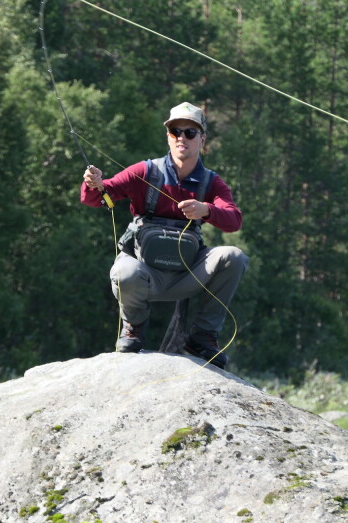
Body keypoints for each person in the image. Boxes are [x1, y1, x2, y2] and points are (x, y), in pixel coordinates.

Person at [80, 102, 248, 367]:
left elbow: (234, 220)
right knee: (124, 271)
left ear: (202, 139)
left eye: (190, 132)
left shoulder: (211, 182)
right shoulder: (145, 171)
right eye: (175, 132)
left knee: (234, 256)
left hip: (187, 274)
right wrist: (93, 182)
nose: (182, 137)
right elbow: (96, 197)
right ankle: (133, 328)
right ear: (168, 137)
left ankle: (203, 336)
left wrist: (206, 209)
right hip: (144, 274)